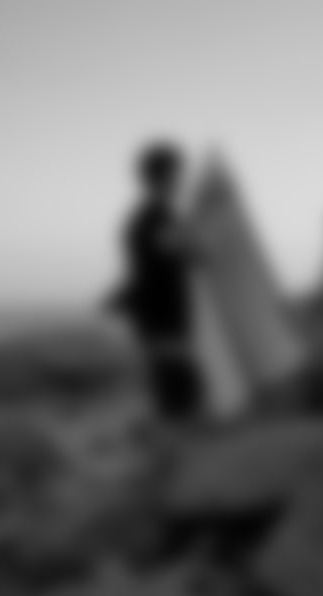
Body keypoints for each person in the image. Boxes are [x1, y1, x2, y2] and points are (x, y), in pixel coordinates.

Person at [108, 141, 204, 422]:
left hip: (159, 321)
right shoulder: (154, 218)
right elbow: (189, 255)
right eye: (176, 174)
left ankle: (172, 435)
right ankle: (174, 440)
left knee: (174, 392)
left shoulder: (147, 218)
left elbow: (174, 256)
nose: (181, 182)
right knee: (179, 397)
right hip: (162, 322)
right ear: (160, 178)